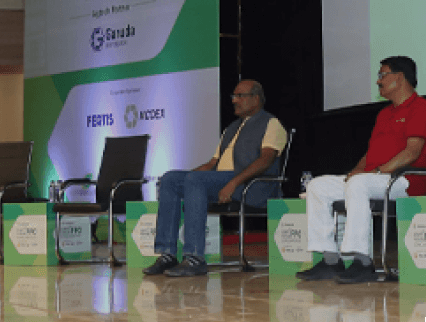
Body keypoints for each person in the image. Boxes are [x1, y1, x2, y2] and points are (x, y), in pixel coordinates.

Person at [297, 56, 426, 284]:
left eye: (382, 75)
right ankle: (330, 259)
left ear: (399, 77)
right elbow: (370, 153)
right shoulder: (384, 114)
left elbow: (412, 152)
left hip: (405, 179)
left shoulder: (420, 107)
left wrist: (374, 173)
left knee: (359, 183)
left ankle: (362, 261)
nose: (378, 81)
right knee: (317, 185)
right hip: (375, 178)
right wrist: (355, 171)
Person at [144, 80, 287, 276]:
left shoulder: (271, 123)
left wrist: (233, 182)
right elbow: (212, 164)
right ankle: (167, 254)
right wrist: (185, 177)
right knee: (170, 179)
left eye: (240, 96)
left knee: (196, 180)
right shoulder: (231, 128)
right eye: (233, 96)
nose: (234, 100)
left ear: (255, 98)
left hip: (251, 185)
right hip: (219, 180)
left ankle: (194, 258)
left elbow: (265, 160)